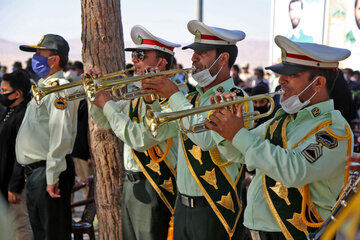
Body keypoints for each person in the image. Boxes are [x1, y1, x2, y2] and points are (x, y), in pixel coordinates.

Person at [205, 35, 353, 239]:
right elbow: (235, 153)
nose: (281, 80)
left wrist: (238, 133)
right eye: (281, 74)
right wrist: (222, 126)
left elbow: (294, 171)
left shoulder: (334, 130)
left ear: (318, 83)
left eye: (291, 74)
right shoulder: (282, 120)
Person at [141, 20, 252, 239]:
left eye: (201, 53)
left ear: (223, 59)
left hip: (215, 208)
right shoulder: (191, 99)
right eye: (194, 53)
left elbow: (205, 139)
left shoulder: (237, 99)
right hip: (182, 207)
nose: (193, 59)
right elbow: (159, 132)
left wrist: (173, 95)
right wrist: (151, 100)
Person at [90, 25, 179, 240]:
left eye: (140, 55)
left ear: (161, 63)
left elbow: (140, 139)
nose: (134, 61)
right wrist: (97, 96)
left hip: (156, 185)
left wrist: (107, 104)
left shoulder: (175, 99)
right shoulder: (138, 95)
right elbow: (103, 119)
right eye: (133, 55)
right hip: (131, 184)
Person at [16, 34, 79, 240]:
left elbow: (60, 133)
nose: (35, 57)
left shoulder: (59, 88)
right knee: (42, 233)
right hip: (38, 172)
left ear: (55, 59)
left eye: (40, 53)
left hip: (49, 171)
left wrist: (52, 176)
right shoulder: (44, 86)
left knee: (54, 234)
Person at [0, 70, 33, 240]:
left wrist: (15, 185)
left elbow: (20, 153)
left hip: (14, 184)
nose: (1, 94)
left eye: (4, 91)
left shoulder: (22, 115)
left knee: (19, 224)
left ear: (17, 94)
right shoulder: (10, 111)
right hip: (5, 179)